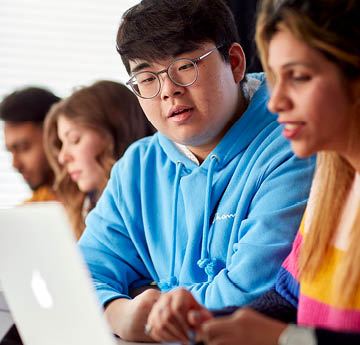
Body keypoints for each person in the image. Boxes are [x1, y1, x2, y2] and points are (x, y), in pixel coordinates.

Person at [78, 0, 315, 341]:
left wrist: (150, 314)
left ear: (234, 63)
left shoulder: (294, 140)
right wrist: (119, 312)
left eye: (185, 66)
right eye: (146, 78)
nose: (168, 90)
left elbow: (250, 298)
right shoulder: (138, 166)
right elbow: (83, 273)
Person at [146, 0, 360, 344]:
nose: (275, 102)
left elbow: (288, 330)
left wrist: (285, 338)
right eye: (276, 78)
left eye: (300, 77)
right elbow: (287, 299)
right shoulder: (331, 187)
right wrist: (204, 318)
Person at [43, 80, 154, 239]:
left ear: (116, 136)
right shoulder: (85, 211)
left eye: (75, 140)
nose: (62, 157)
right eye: (61, 143)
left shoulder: (154, 205)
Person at [0, 87, 60, 202]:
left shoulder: (98, 201)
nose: (15, 164)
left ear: (56, 136)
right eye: (11, 152)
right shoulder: (32, 207)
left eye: (23, 148)